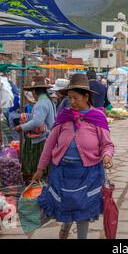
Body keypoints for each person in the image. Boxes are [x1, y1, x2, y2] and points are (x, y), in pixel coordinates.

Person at [32, 73, 114, 239]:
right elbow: (49, 144)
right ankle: (66, 225)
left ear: (86, 96)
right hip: (63, 171)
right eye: (70, 98)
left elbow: (107, 144)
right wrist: (40, 168)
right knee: (66, 204)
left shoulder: (97, 118)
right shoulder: (64, 117)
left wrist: (106, 156)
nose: (72, 102)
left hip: (87, 173)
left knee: (82, 209)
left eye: (76, 98)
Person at [14, 76, 56, 182]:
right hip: (48, 136)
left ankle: (36, 185)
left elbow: (37, 121)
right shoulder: (48, 101)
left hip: (41, 139)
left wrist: (21, 127)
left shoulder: (41, 103)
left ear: (34, 92)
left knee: (36, 166)